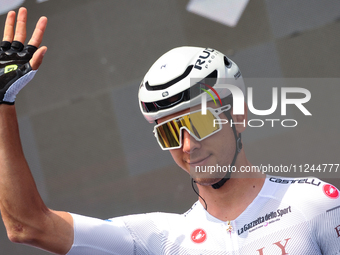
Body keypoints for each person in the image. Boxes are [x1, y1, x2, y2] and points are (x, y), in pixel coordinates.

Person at [0, 7, 339, 255]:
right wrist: (3, 101)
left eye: (201, 123)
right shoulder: (161, 239)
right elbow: (26, 224)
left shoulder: (313, 203)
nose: (188, 146)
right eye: (170, 133)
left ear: (238, 116)